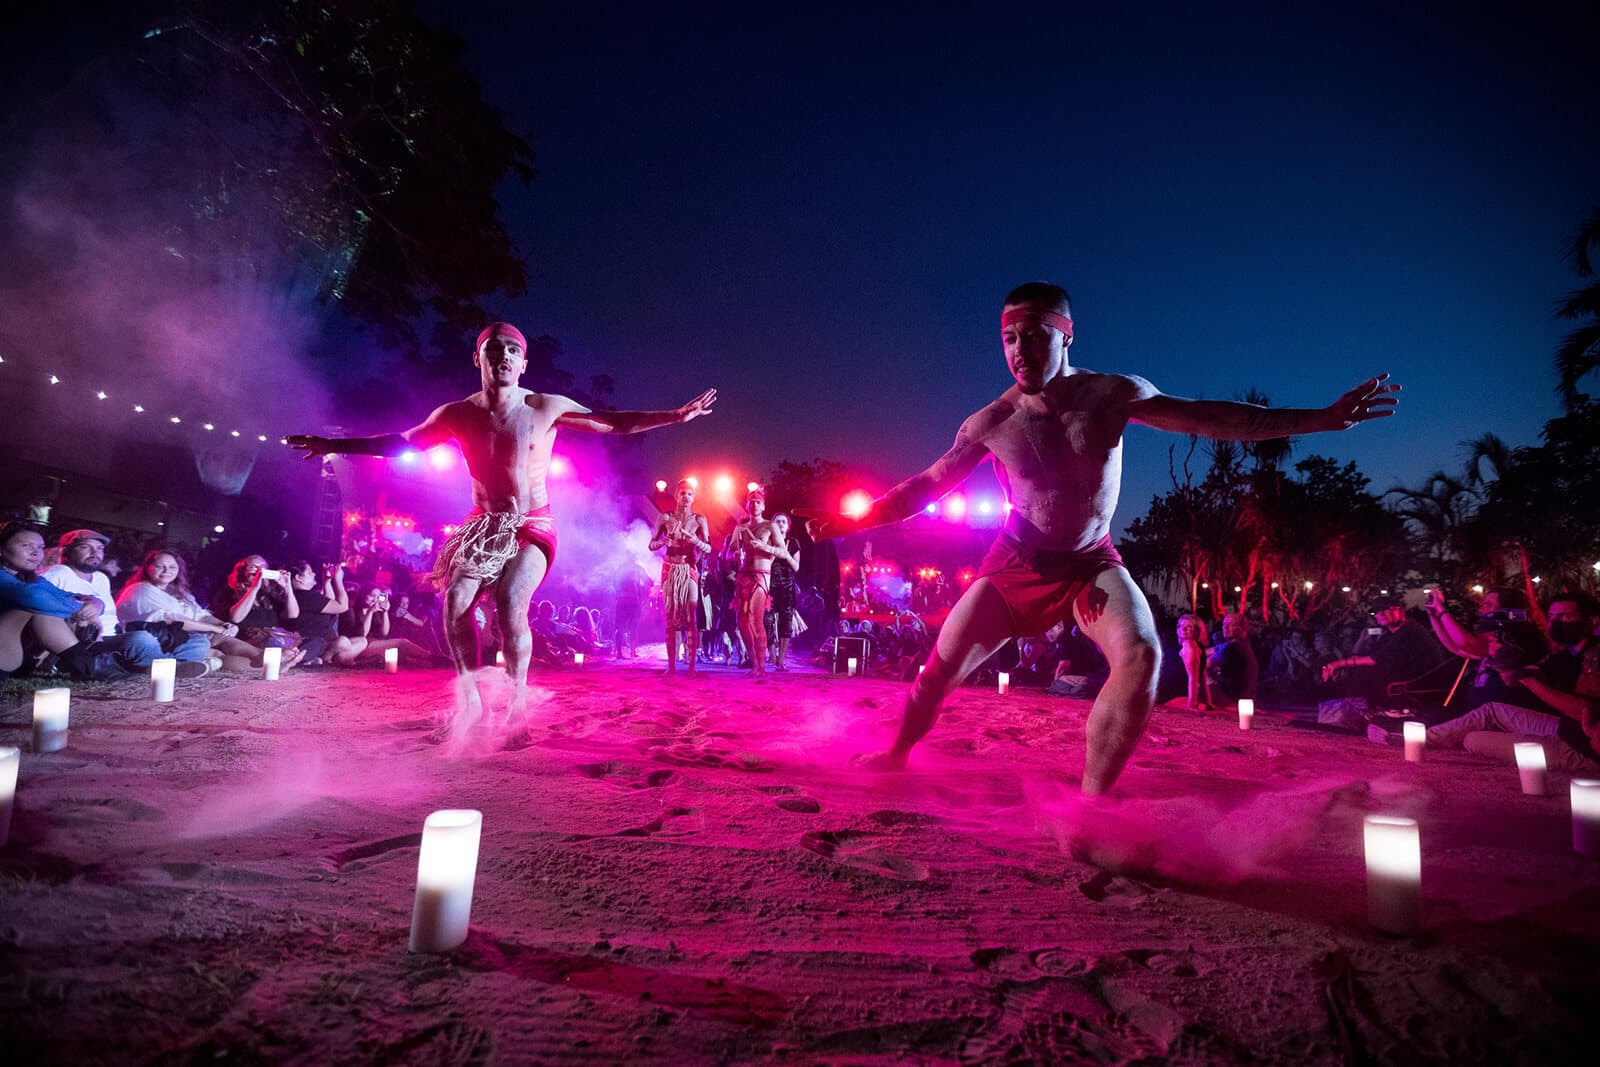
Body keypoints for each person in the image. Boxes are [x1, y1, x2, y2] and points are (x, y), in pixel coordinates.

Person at [807, 281, 1400, 793]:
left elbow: (1212, 419)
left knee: (1142, 654)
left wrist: (1318, 418)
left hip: (1092, 561)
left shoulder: (1113, 395)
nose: (1020, 350)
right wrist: (855, 521)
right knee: (937, 674)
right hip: (1017, 563)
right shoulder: (991, 422)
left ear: (1067, 335)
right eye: (1010, 338)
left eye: (1036, 334)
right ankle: (895, 755)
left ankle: (1092, 801)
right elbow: (926, 487)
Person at [288, 322, 715, 691]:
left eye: (514, 351)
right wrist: (333, 444)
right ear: (478, 358)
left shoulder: (545, 406)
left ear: (524, 363)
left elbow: (615, 422)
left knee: (512, 600)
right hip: (483, 525)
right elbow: (402, 443)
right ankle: (470, 696)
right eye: (495, 350)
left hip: (533, 523)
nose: (505, 357)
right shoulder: (457, 414)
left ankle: (516, 699)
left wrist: (675, 416)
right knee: (455, 601)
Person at [1417, 591, 1599, 770]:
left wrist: (1522, 675)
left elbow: (1585, 711)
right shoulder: (1566, 655)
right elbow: (1517, 678)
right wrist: (1506, 665)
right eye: (1552, 616)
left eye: (1565, 616)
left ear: (1592, 621)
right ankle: (1417, 740)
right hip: (1567, 729)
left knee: (1472, 739)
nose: (1555, 622)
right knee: (1489, 711)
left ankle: (1417, 742)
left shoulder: (1593, 656)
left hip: (1584, 748)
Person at [0, 523, 179, 680]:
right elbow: (33, 598)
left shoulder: (35, 580)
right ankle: (95, 667)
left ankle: (158, 668)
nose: (35, 553)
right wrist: (81, 610)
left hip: (76, 642)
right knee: (43, 614)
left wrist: (94, 603)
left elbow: (63, 595)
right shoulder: (37, 576)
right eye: (26, 546)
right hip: (20, 651)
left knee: (142, 639)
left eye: (40, 547)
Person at [115, 550, 252, 669]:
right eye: (159, 566)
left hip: (189, 638)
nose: (166, 571)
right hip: (161, 643)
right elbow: (172, 619)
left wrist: (223, 625)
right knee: (215, 651)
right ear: (147, 567)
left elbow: (200, 615)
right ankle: (258, 664)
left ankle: (262, 660)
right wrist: (215, 629)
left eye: (172, 567)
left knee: (224, 641)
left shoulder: (180, 593)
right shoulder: (140, 590)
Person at [731, 487, 799, 680]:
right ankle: (753, 663)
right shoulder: (740, 528)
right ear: (746, 505)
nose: (754, 505)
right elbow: (729, 553)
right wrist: (735, 554)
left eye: (758, 502)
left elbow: (782, 552)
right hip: (743, 575)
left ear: (763, 506)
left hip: (761, 576)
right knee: (741, 622)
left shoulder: (770, 527)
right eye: (751, 502)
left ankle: (762, 666)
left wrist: (763, 546)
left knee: (755, 620)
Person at [1320, 597, 1443, 703]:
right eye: (1377, 612)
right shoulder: (1390, 632)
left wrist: (1339, 664)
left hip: (1421, 680)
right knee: (1354, 672)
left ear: (1400, 610)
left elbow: (1376, 659)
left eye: (1386, 609)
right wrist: (1363, 640)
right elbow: (1365, 654)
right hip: (1403, 675)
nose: (1381, 614)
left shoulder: (1409, 630)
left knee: (1362, 674)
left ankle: (1356, 715)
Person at [648, 479, 712, 675]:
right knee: (670, 616)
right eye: (682, 493)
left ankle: (692, 666)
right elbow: (651, 545)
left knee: (691, 615)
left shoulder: (700, 520)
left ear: (694, 497)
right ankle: (672, 666)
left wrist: (695, 540)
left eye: (689, 493)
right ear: (676, 496)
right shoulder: (665, 518)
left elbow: (708, 548)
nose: (686, 496)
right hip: (670, 568)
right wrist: (662, 542)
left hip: (689, 567)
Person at [210, 556, 307, 671]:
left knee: (312, 642)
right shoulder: (228, 592)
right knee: (230, 659)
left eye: (263, 568)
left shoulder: (268, 594)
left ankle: (277, 662)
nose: (260, 571)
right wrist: (254, 588)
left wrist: (287, 588)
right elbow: (236, 618)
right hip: (246, 640)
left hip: (274, 638)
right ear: (242, 571)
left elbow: (293, 615)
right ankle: (279, 663)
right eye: (254, 568)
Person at [286, 560, 351, 664]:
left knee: (360, 642)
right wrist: (338, 580)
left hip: (320, 642)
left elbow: (330, 605)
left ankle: (323, 659)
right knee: (343, 643)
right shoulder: (306, 596)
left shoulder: (303, 595)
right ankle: (326, 659)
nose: (314, 574)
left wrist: (327, 581)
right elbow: (342, 606)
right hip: (311, 643)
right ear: (298, 578)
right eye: (310, 572)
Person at [766, 512, 802, 671]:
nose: (780, 525)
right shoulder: (767, 541)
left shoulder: (793, 543)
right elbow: (764, 564)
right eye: (777, 522)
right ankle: (771, 655)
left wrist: (784, 551)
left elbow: (796, 566)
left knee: (785, 623)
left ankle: (781, 660)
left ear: (787, 526)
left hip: (787, 588)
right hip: (769, 587)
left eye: (783, 522)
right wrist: (774, 550)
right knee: (767, 621)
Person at [1206, 612, 1258, 707]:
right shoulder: (1241, 644)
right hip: (1242, 697)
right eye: (1224, 624)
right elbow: (1211, 650)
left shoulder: (1234, 648)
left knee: (1199, 684)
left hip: (1232, 698)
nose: (1225, 628)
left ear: (1243, 629)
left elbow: (1203, 664)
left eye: (1231, 625)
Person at [1176, 613, 1211, 711]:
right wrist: (1208, 703)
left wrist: (1191, 704)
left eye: (1189, 627)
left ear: (1197, 631)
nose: (1183, 629)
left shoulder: (1190, 647)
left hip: (1182, 696)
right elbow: (1201, 676)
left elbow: (1195, 677)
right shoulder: (1194, 646)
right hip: (1182, 696)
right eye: (1182, 626)